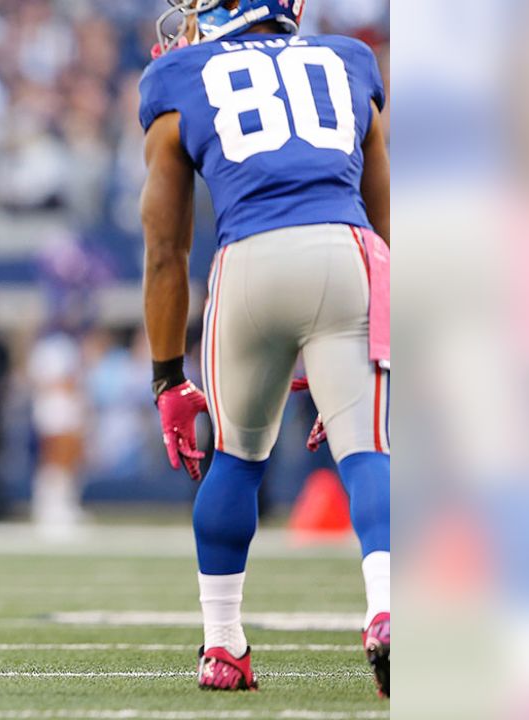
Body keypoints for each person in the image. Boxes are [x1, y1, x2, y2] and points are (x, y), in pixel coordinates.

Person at [139, 0, 390, 695]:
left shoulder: (179, 76)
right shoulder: (350, 61)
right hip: (346, 251)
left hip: (248, 262)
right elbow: (386, 214)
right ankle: (390, 606)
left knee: (237, 461)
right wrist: (370, 354)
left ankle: (223, 646)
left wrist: (167, 380)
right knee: (367, 451)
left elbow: (165, 251)